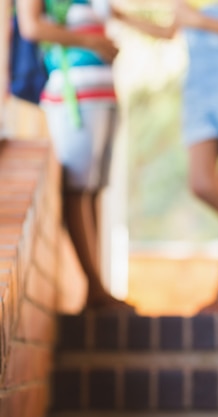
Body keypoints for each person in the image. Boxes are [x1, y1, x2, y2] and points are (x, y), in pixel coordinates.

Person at [113, 0, 218, 313]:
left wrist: (201, 21)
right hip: (199, 90)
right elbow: (170, 30)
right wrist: (122, 18)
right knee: (203, 183)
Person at [16, 0, 134, 312]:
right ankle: (94, 287)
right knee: (77, 190)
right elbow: (31, 26)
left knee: (92, 192)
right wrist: (91, 41)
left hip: (103, 95)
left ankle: (99, 292)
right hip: (72, 97)